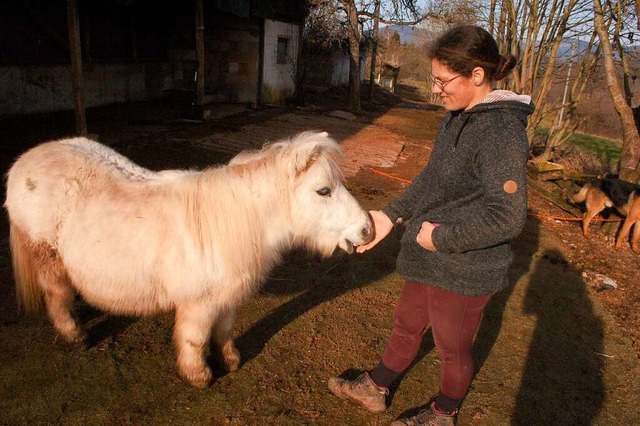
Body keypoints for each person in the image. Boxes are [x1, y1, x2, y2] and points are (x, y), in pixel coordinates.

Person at [328, 25, 534, 425]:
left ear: (477, 75)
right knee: (406, 324)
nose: (436, 89)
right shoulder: (458, 116)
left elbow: (507, 216)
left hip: (464, 267)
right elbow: (431, 180)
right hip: (430, 256)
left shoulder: (501, 131)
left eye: (442, 80)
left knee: (452, 347)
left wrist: (441, 238)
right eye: (434, 79)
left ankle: (443, 413)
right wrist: (391, 214)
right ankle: (376, 388)